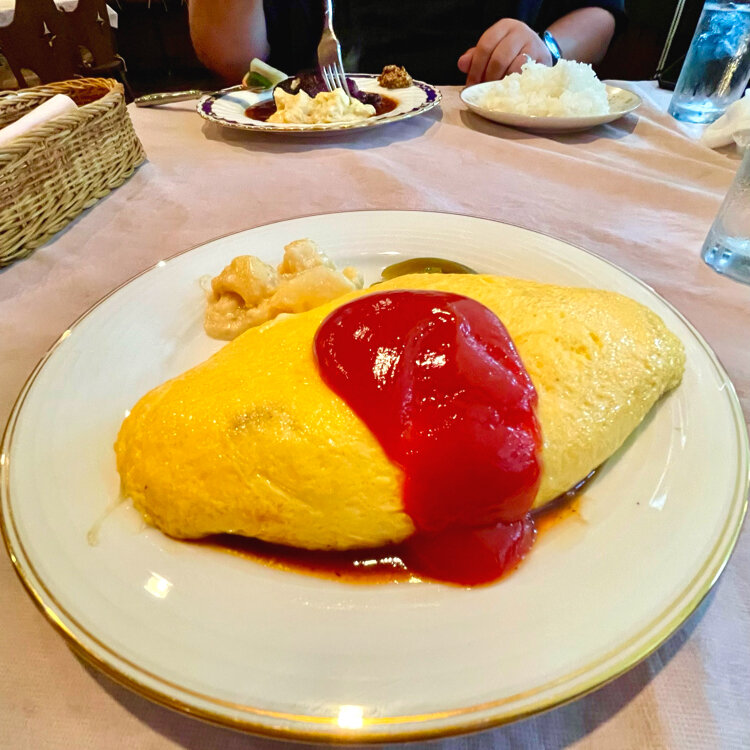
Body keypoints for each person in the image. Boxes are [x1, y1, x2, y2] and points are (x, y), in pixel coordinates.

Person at [188, 0, 624, 86]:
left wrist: (547, 48)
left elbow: (600, 11)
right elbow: (230, 56)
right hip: (303, 139)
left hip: (494, 123)